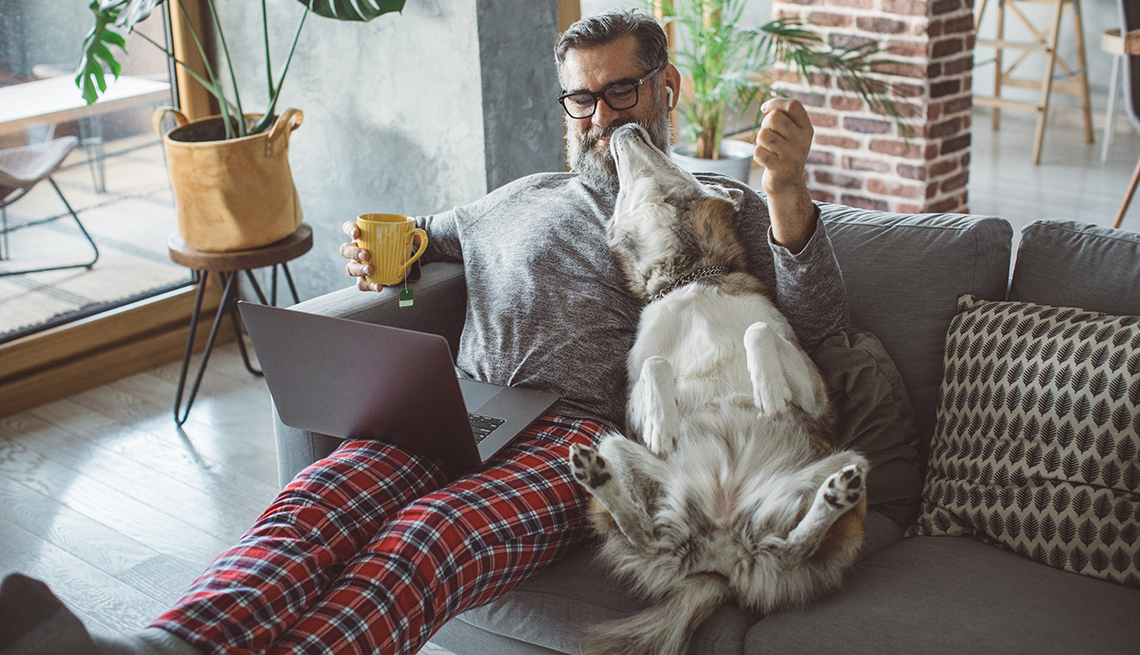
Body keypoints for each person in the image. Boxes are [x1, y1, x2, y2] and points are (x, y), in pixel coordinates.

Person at [0, 8, 848, 655]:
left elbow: (814, 326)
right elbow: (412, 235)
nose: (601, 118)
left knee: (424, 539)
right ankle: (158, 644)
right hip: (456, 408)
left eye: (620, 92)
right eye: (582, 98)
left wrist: (787, 191)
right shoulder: (512, 198)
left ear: (665, 89)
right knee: (308, 508)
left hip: (577, 438)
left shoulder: (708, 204)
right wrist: (381, 251)